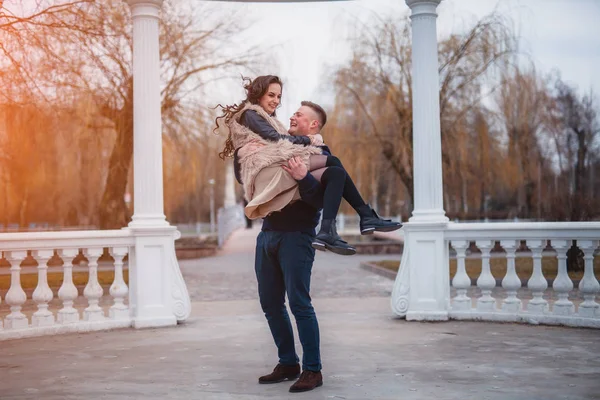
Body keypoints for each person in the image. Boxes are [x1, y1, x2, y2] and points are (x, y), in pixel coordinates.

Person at [215, 75, 401, 255]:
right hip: (269, 173)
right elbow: (274, 140)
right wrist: (310, 140)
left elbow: (320, 198)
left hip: (291, 208)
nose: (276, 101)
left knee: (335, 172)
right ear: (258, 93)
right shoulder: (251, 113)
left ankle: (338, 226)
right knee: (334, 163)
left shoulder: (266, 120)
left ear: (314, 123)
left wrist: (304, 177)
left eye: (278, 96)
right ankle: (362, 217)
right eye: (271, 95)